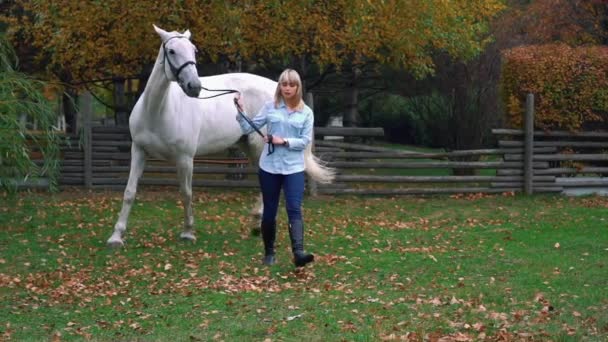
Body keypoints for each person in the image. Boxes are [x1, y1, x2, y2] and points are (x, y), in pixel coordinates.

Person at [235, 69, 315, 267]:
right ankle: (269, 253)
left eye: (291, 85)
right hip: (269, 167)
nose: (287, 88)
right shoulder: (270, 107)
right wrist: (241, 111)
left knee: (294, 208)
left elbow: (305, 141)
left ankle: (298, 253)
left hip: (294, 168)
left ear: (298, 88)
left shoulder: (306, 113)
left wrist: (283, 141)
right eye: (283, 84)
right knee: (269, 211)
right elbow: (247, 128)